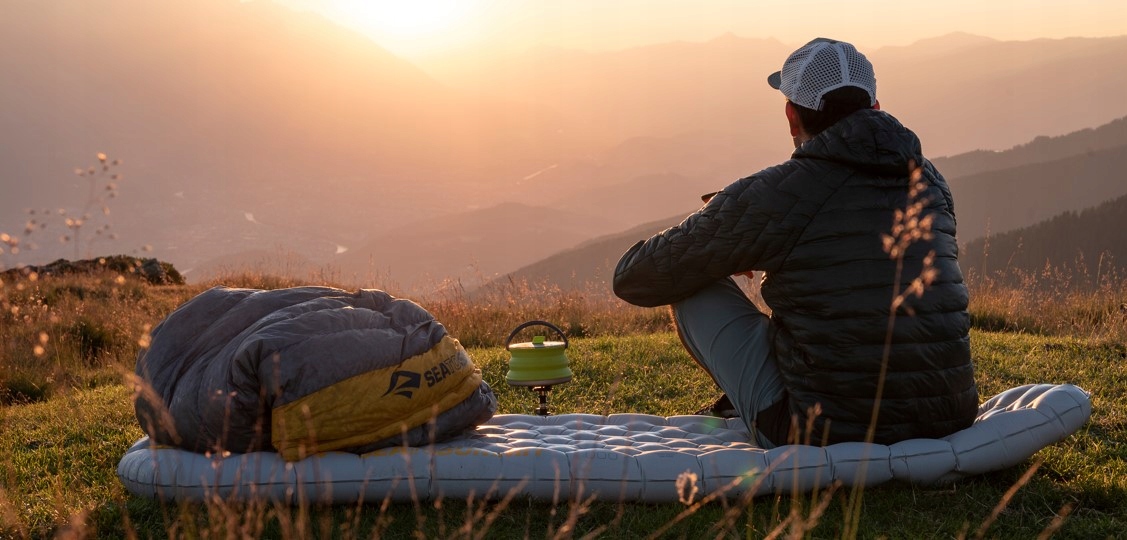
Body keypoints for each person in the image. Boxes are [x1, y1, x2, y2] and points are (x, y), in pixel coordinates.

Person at [612, 38, 978, 448]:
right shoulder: (931, 181)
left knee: (689, 282)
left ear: (791, 116)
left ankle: (753, 404)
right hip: (949, 417)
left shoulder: (781, 191)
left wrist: (720, 234)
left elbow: (634, 277)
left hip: (820, 432)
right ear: (875, 107)